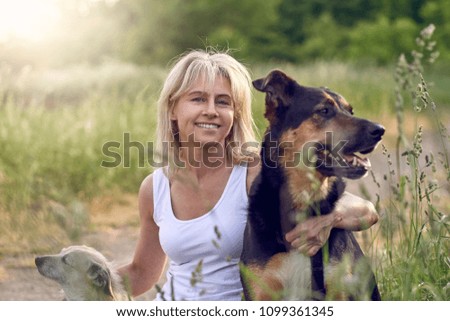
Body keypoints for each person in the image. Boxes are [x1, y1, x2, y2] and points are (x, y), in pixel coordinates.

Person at [118, 49, 379, 301]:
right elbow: (141, 274)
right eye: (198, 99)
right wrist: (86, 282)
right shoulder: (155, 186)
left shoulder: (257, 172)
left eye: (223, 101)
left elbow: (366, 211)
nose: (211, 110)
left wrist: (329, 220)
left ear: (234, 113)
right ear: (173, 109)